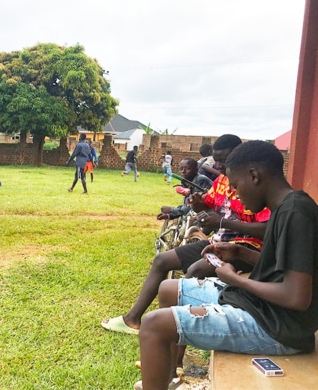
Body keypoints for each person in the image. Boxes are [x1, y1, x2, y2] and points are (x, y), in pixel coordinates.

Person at [135, 140, 318, 390]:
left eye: (236, 186)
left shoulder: (296, 214)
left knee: (153, 325)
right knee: (168, 288)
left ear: (254, 176)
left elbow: (297, 297)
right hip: (263, 307)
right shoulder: (285, 207)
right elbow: (281, 267)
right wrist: (239, 251)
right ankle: (168, 380)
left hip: (278, 328)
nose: (237, 195)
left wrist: (235, 280)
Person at [101, 135, 270, 379]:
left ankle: (174, 363)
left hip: (247, 247)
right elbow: (208, 208)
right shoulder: (222, 182)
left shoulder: (252, 184)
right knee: (163, 261)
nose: (220, 167)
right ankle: (133, 319)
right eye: (218, 161)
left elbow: (267, 229)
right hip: (218, 241)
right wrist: (198, 204)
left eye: (225, 161)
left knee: (194, 273)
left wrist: (221, 220)